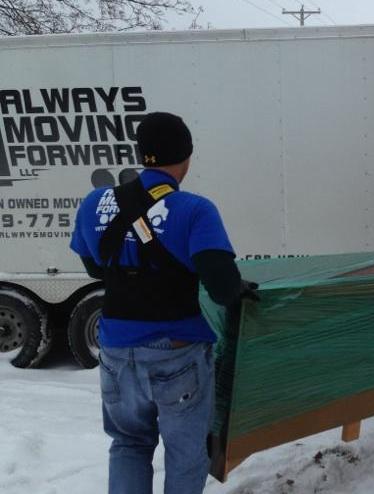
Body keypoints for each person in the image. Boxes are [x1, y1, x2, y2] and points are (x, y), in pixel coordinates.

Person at [71, 112, 256, 493]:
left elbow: (95, 266)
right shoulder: (195, 210)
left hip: (116, 352)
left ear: (142, 154)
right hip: (176, 354)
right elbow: (222, 288)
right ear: (187, 156)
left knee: (128, 444)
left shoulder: (94, 203)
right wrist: (238, 289)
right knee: (186, 455)